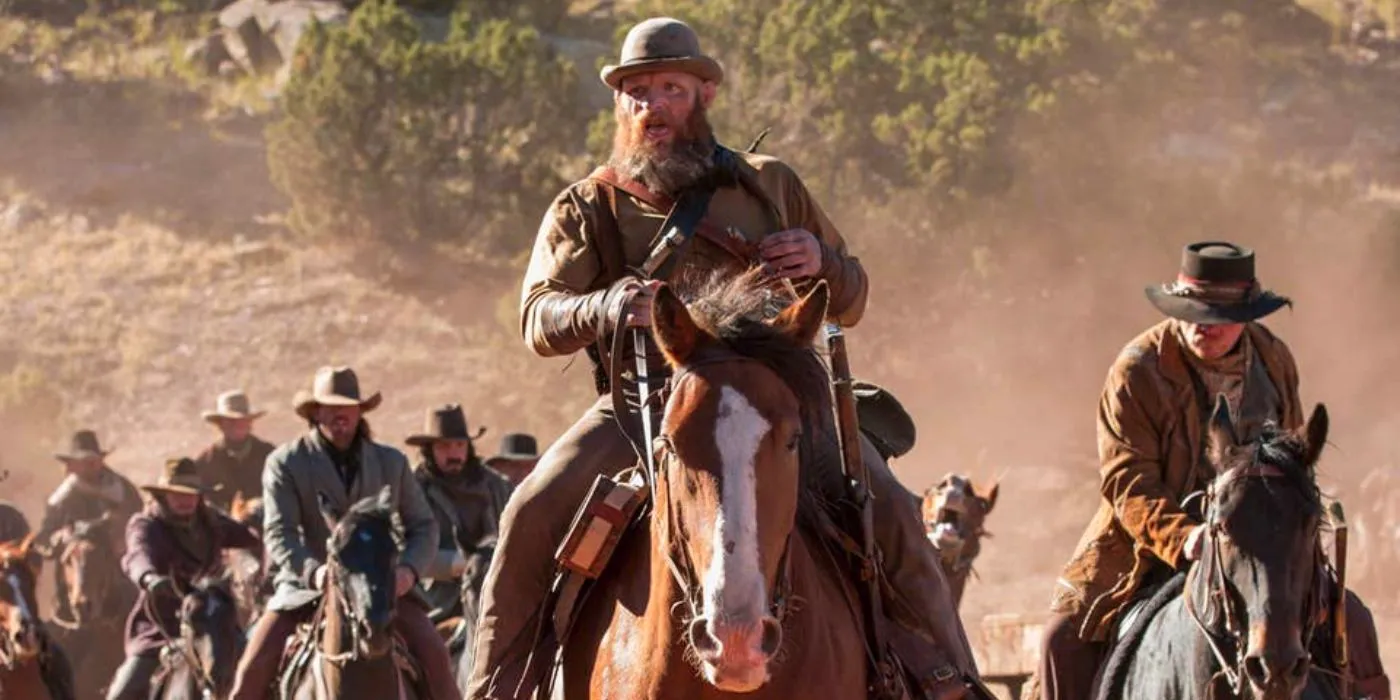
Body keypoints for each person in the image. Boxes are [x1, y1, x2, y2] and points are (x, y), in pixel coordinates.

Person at [466, 16, 975, 699]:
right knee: (529, 512)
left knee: (892, 511)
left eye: (669, 88)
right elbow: (538, 317)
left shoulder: (772, 185)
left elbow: (850, 297)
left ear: (703, 96)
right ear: (620, 105)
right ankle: (494, 689)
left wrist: (821, 262)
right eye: (636, 92)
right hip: (638, 409)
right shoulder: (588, 204)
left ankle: (953, 683)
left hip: (779, 410)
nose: (651, 106)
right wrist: (606, 305)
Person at [1039, 242, 1390, 699]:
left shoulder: (1274, 358)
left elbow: (1289, 456)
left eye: (1218, 315)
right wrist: (1185, 536)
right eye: (1193, 310)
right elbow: (1127, 481)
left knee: (1355, 622)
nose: (1204, 324)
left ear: (1246, 315)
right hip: (1147, 544)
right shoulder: (1136, 371)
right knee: (1060, 641)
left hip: (1263, 539)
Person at [227, 366, 461, 700]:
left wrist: (408, 571)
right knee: (250, 675)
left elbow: (422, 526)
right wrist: (313, 572)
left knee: (435, 655)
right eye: (331, 407)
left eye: (348, 406)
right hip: (305, 589)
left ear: (360, 411)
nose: (341, 415)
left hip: (383, 586)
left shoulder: (390, 462)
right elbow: (280, 532)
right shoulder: (286, 463)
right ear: (315, 411)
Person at [107, 458, 260, 700]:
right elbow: (137, 556)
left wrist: (263, 520)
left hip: (215, 624)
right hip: (162, 629)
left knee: (262, 672)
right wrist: (150, 579)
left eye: (191, 494)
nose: (185, 500)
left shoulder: (211, 521)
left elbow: (252, 537)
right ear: (163, 495)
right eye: (176, 494)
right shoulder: (146, 525)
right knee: (121, 693)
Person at [408, 404, 513, 624]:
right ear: (430, 449)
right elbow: (404, 550)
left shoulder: (496, 486)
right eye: (445, 446)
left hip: (496, 595)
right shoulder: (412, 489)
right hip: (435, 603)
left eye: (460, 444)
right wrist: (459, 564)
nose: (454, 453)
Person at [35, 430, 143, 621]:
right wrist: (60, 538)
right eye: (82, 461)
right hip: (74, 569)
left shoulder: (123, 491)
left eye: (91, 460)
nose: (88, 466)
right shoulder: (61, 499)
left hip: (118, 565)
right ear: (71, 466)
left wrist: (121, 536)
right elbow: (44, 539)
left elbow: (141, 525)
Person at [194, 390, 276, 513]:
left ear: (250, 423)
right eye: (230, 421)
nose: (237, 426)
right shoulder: (205, 461)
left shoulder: (269, 455)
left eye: (241, 420)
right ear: (220, 425)